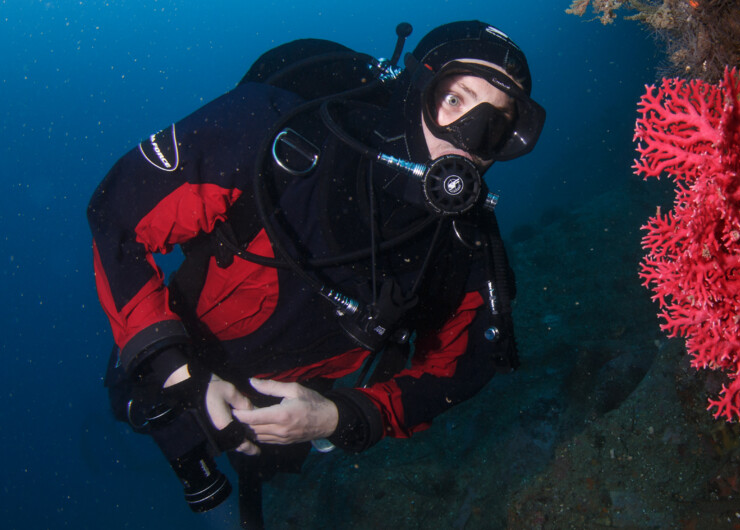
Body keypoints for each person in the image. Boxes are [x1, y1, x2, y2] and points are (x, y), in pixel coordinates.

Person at [87, 20, 545, 528]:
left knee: (261, 473)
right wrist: (176, 369)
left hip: (289, 408)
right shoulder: (270, 129)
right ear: (416, 87)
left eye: (495, 125)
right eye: (455, 101)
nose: (468, 142)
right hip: (180, 348)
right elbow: (121, 217)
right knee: (140, 410)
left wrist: (339, 416)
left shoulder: (467, 250)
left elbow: (458, 371)